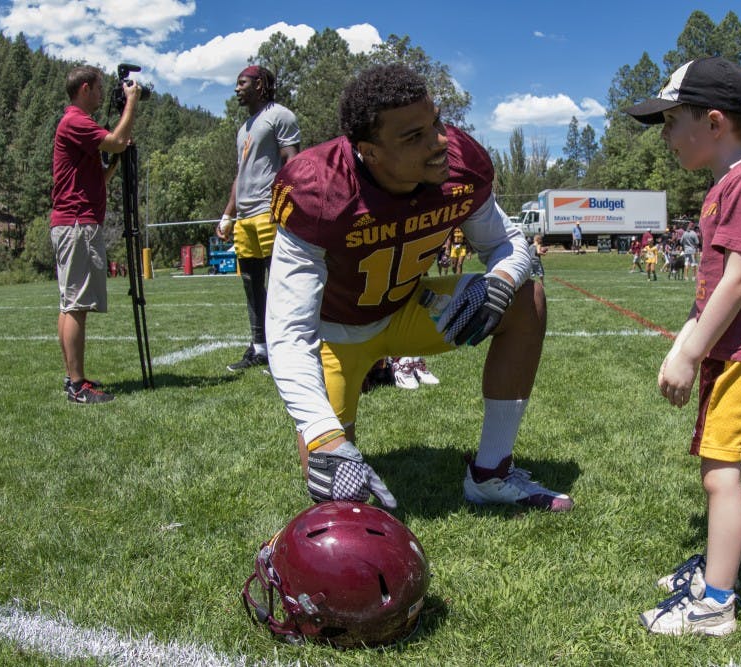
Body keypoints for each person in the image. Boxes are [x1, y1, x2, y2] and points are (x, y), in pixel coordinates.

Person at [264, 64, 573, 513]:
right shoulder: (319, 187)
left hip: (410, 309)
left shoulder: (459, 165)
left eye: (437, 123)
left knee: (526, 298)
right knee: (339, 491)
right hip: (336, 336)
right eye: (413, 137)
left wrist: (501, 283)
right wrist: (321, 431)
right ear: (368, 151)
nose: (439, 142)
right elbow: (289, 331)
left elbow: (507, 242)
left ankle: (491, 473)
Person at [625, 56, 741, 636]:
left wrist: (692, 352)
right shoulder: (726, 187)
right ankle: (714, 571)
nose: (666, 135)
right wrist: (686, 342)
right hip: (726, 351)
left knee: (722, 476)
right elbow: (711, 289)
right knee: (715, 470)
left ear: (714, 123)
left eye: (673, 122)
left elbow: (738, 280)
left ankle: (716, 603)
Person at [51, 66, 142, 404]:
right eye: (100, 88)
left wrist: (115, 162)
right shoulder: (75, 121)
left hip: (71, 222)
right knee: (76, 305)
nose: (104, 93)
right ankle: (77, 386)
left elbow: (98, 179)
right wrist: (131, 102)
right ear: (85, 88)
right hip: (77, 225)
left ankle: (73, 378)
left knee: (69, 303)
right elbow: (116, 141)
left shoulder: (75, 124)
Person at [217, 65, 300, 373]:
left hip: (270, 212)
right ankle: (259, 348)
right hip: (245, 217)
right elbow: (240, 175)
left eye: (243, 83)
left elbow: (293, 161)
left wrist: (285, 203)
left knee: (280, 284)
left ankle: (284, 349)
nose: (237, 88)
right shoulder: (245, 127)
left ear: (261, 85)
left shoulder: (280, 116)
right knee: (252, 285)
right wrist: (228, 213)